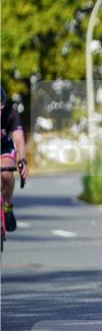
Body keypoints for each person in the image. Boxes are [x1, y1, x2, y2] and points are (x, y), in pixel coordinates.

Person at [1, 86, 29, 230]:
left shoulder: (11, 114)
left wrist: (22, 160)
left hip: (4, 148)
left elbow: (19, 140)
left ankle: (8, 207)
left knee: (6, 173)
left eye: (1, 108)